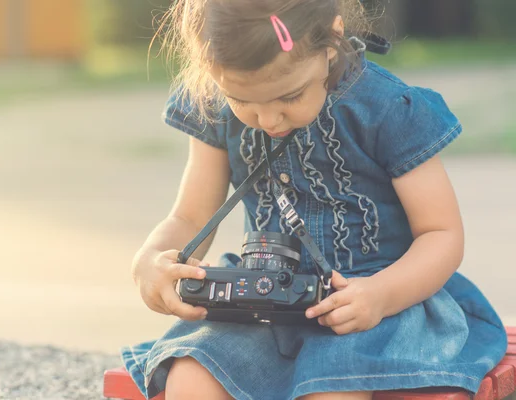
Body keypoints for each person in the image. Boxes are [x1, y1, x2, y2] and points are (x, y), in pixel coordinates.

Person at [120, 1, 508, 399]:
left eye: (289, 96)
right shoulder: (214, 106)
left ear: (332, 41)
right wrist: (151, 261)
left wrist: (380, 295)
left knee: (330, 387)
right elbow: (189, 216)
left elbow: (441, 234)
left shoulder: (388, 110)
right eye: (243, 101)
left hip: (373, 306)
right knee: (190, 376)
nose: (267, 120)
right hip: (262, 302)